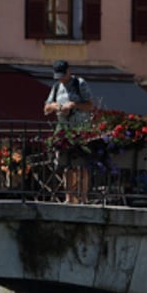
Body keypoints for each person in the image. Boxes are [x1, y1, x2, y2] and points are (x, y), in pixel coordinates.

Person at [43, 59, 93, 204]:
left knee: (81, 165)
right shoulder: (57, 87)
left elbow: (90, 105)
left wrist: (73, 105)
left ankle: (83, 197)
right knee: (66, 165)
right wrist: (58, 107)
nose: (61, 79)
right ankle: (69, 197)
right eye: (58, 76)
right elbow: (46, 108)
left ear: (69, 71)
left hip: (80, 129)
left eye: (62, 76)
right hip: (63, 131)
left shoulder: (80, 84)